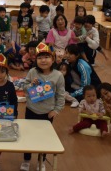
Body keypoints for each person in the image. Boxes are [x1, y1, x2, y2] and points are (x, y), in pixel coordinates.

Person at [20, 42, 65, 171]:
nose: (43, 60)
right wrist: (31, 86)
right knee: (28, 135)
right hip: (31, 110)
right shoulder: (33, 71)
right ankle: (26, 160)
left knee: (45, 138)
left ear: (53, 59)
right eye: (39, 57)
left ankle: (42, 161)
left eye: (46, 57)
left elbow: (61, 95)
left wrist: (56, 110)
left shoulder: (58, 75)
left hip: (48, 113)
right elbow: (24, 87)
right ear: (36, 59)